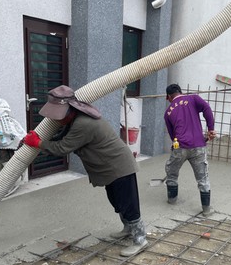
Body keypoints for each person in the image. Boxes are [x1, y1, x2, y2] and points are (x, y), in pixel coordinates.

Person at [22, 85, 148, 256]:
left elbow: (63, 147)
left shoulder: (83, 123)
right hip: (109, 167)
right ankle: (128, 229)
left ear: (69, 109)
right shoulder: (76, 118)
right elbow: (63, 137)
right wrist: (41, 139)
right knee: (117, 201)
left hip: (119, 166)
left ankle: (140, 239)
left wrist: (38, 143)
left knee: (128, 204)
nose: (57, 120)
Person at [163, 84, 216, 216]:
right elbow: (207, 108)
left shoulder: (168, 112)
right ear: (181, 92)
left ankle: (172, 200)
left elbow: (172, 135)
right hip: (198, 146)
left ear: (168, 97)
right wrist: (210, 129)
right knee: (203, 177)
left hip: (179, 147)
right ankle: (206, 210)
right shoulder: (193, 98)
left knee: (171, 172)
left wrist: (175, 148)